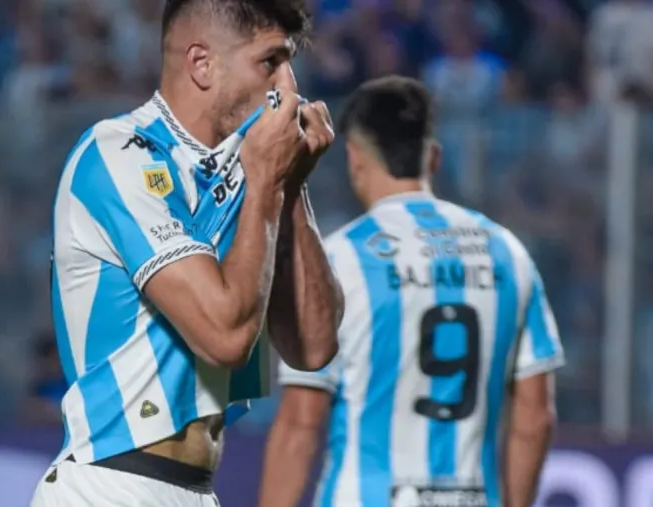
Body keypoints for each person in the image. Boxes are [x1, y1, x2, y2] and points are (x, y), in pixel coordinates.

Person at [29, 0, 343, 505]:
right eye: (270, 62)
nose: (289, 87)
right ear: (201, 63)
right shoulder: (116, 155)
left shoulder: (253, 168)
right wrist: (266, 184)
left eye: (290, 64)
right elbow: (225, 338)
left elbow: (314, 347)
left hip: (196, 491)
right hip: (112, 485)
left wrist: (291, 185)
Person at [259, 76, 565, 507]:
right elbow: (535, 416)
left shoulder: (338, 260)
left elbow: (302, 423)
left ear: (354, 159)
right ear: (434, 157)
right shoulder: (506, 253)